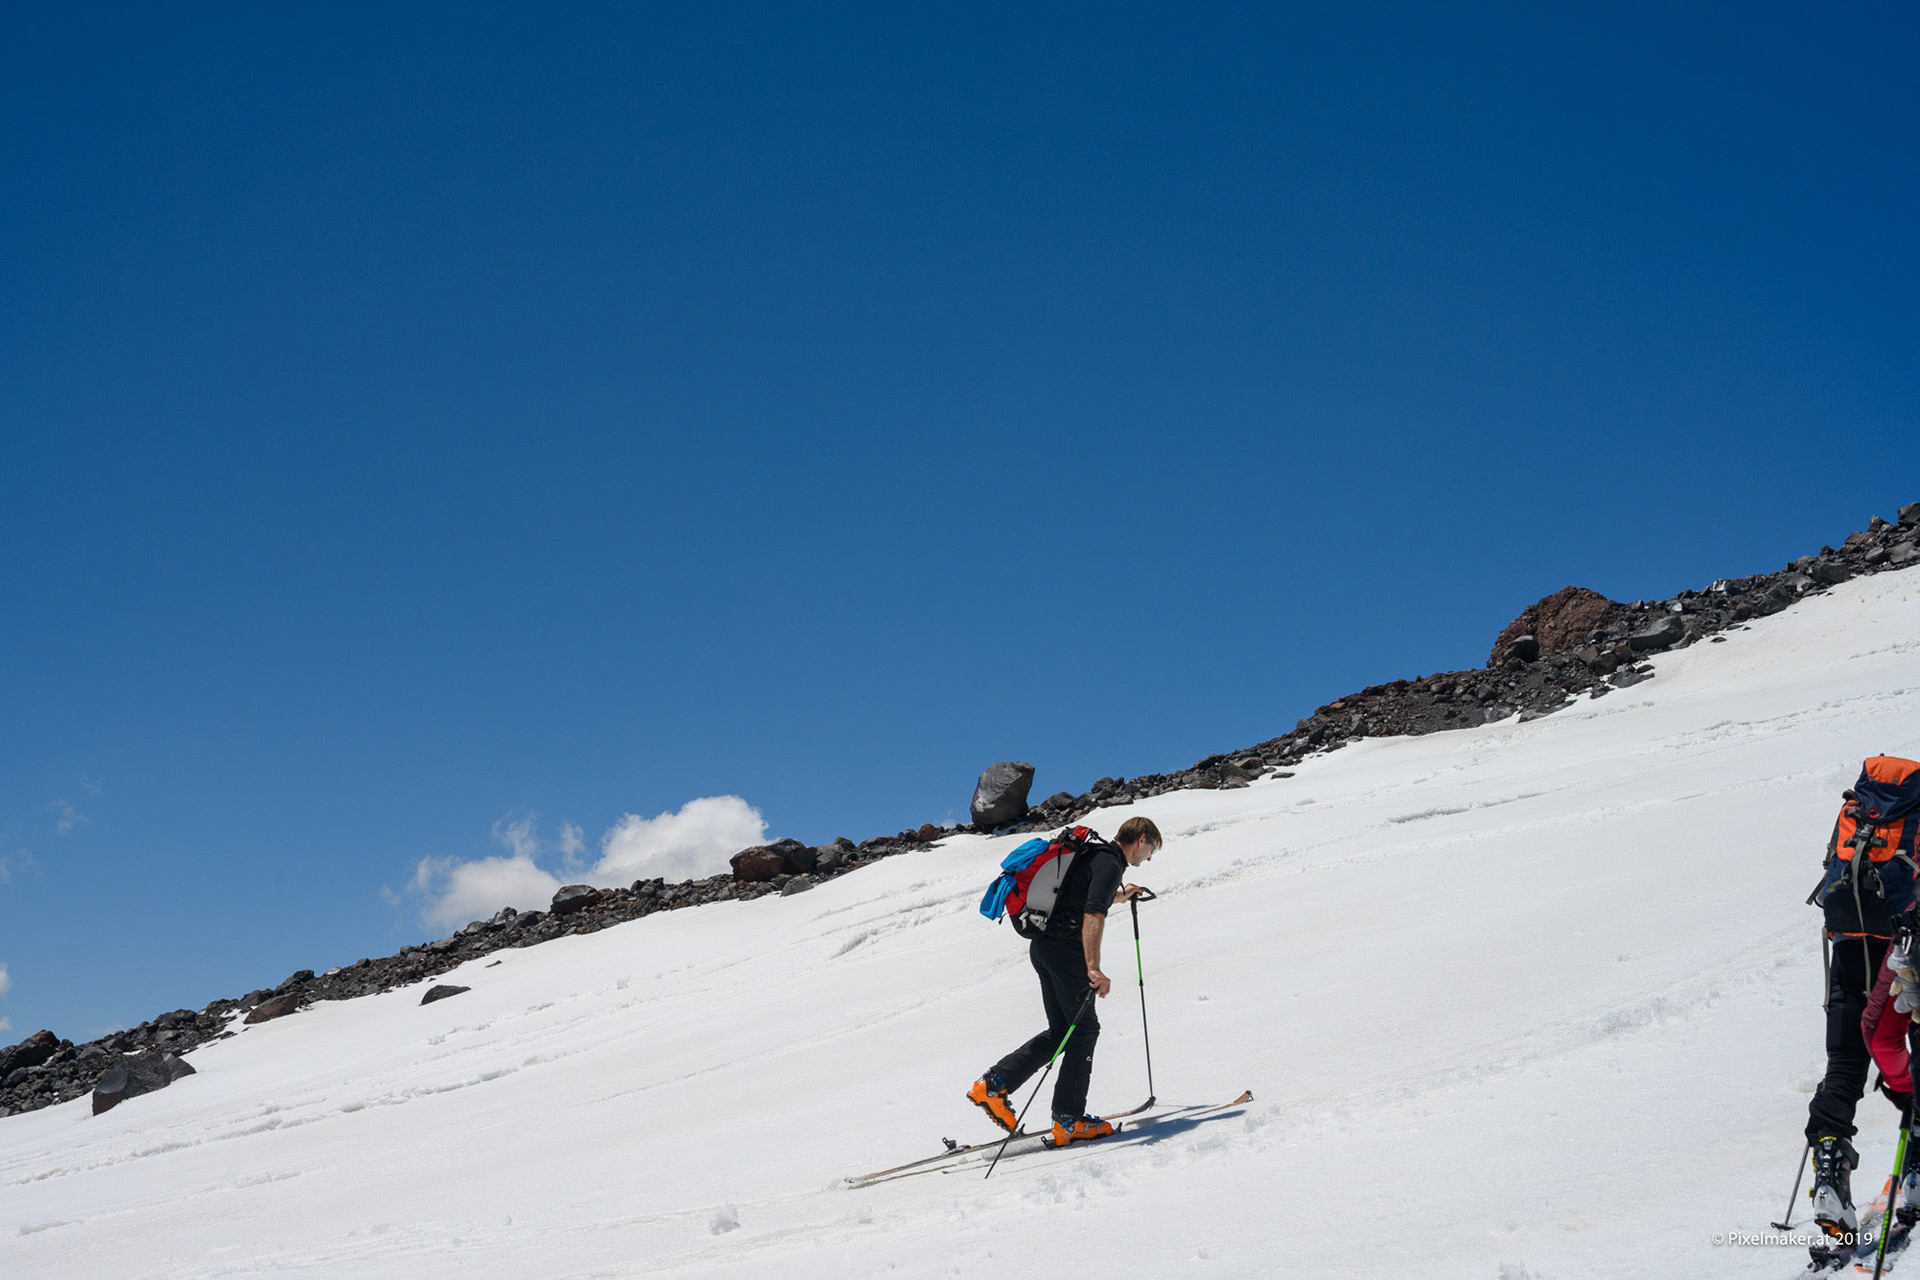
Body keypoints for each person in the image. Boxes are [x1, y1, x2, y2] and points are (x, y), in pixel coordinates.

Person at [967, 815, 1161, 1146]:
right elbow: (1091, 915)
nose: (1150, 857)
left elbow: (1081, 899)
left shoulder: (1094, 855)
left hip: (1043, 949)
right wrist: (1093, 967)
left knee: (1062, 1031)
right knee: (1084, 1030)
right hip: (1064, 953)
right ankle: (1069, 1120)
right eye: (1152, 849)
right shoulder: (1110, 862)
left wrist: (1120, 896)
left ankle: (993, 1086)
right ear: (1141, 839)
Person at [1806, 756, 1920, 1241]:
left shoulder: (1857, 808)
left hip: (1848, 939)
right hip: (1904, 949)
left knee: (1846, 1061)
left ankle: (1830, 1165)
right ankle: (1915, 1167)